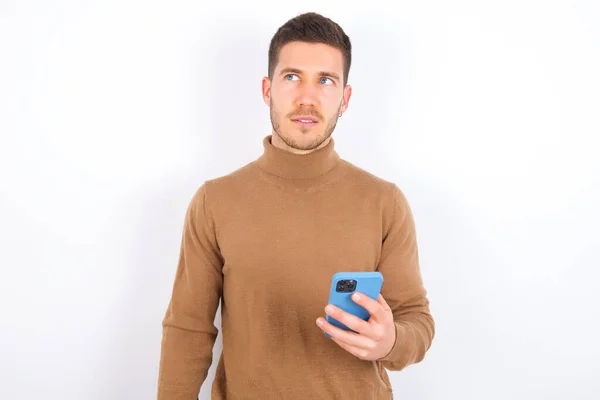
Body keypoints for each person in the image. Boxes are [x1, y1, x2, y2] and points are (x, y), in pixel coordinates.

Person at [157, 11, 435, 400]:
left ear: (345, 97)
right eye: (292, 77)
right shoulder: (214, 201)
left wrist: (389, 342)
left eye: (325, 80)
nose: (307, 97)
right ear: (267, 89)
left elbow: (416, 322)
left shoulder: (385, 202)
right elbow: (188, 330)